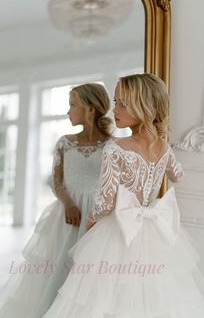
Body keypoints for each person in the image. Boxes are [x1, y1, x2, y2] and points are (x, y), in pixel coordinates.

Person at [43, 73, 204, 318]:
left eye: (123, 104)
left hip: (116, 231)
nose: (115, 109)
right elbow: (178, 174)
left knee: (102, 299)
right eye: (116, 101)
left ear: (144, 106)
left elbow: (105, 202)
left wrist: (88, 230)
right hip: (154, 234)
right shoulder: (162, 145)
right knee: (150, 297)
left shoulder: (115, 147)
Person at [0, 83, 112, 318]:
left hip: (98, 218)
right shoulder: (64, 142)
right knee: (59, 270)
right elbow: (56, 181)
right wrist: (69, 203)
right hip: (67, 217)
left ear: (91, 109)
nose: (68, 111)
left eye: (72, 105)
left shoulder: (113, 145)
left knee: (91, 272)